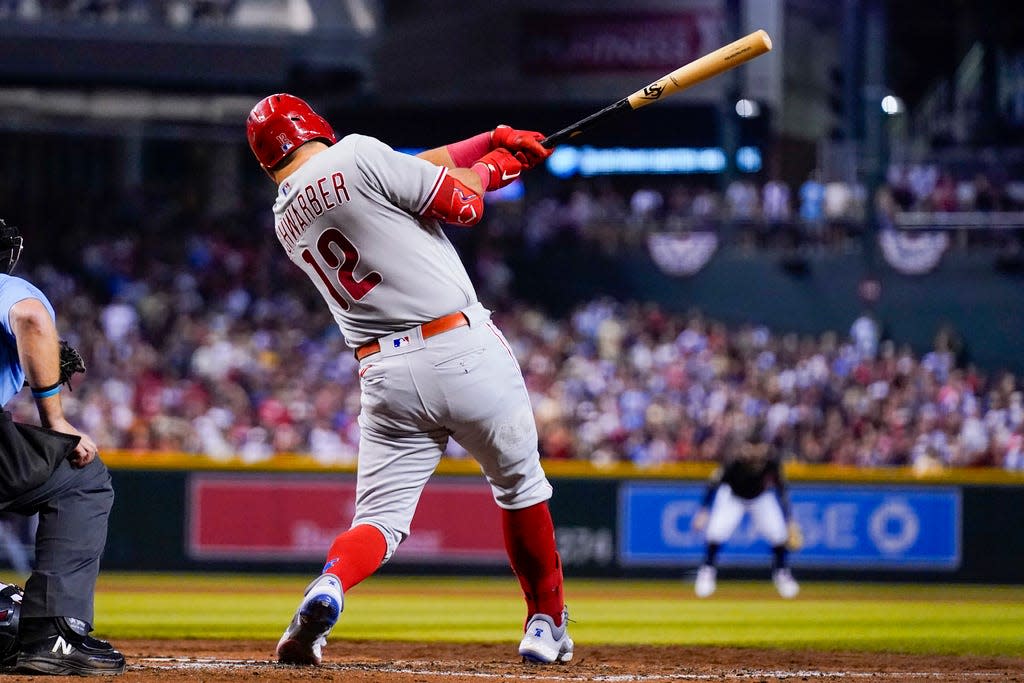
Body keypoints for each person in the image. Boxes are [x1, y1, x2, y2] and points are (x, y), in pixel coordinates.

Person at [245, 94, 572, 665]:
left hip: (385, 373)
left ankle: (330, 584)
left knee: (377, 520)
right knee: (521, 489)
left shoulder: (285, 215)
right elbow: (463, 204)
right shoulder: (357, 154)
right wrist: (497, 168)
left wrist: (487, 142)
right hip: (461, 346)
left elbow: (410, 172)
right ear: (315, 124)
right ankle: (545, 624)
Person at [0, 218, 125, 675]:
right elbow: (31, 318)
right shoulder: (7, 287)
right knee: (81, 477)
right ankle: (51, 632)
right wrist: (56, 419)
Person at [691, 427, 800, 599]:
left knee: (778, 534)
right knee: (716, 532)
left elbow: (782, 489)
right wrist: (703, 510)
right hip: (733, 496)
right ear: (745, 447)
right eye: (752, 447)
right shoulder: (734, 461)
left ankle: (782, 574)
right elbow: (713, 484)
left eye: (760, 447)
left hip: (760, 497)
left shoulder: (771, 460)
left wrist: (790, 519)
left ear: (765, 447)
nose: (756, 451)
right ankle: (707, 572)